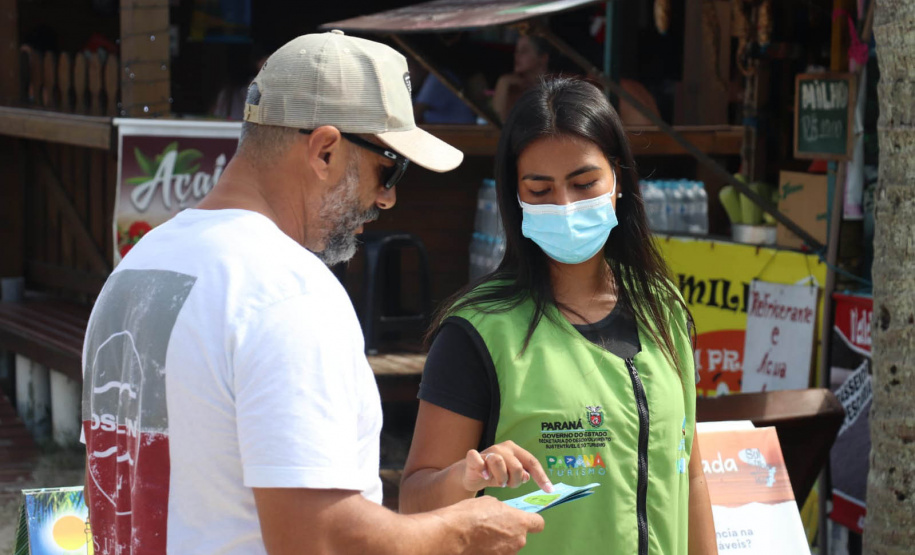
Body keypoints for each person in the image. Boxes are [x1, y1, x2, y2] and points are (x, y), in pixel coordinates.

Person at [81, 31, 544, 555]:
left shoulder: (139, 267)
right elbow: (318, 539)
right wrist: (463, 530)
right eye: (388, 170)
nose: (388, 198)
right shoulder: (288, 292)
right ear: (325, 150)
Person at [400, 77, 718, 554]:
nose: (565, 206)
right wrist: (465, 476)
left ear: (618, 180)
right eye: (540, 189)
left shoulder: (663, 308)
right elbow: (413, 502)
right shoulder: (478, 333)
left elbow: (689, 475)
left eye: (584, 183)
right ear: (516, 198)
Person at [492, 35, 550, 123]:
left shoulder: (556, 85)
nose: (517, 55)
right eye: (516, 51)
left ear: (543, 58)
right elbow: (496, 123)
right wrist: (502, 84)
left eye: (524, 51)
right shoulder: (510, 86)